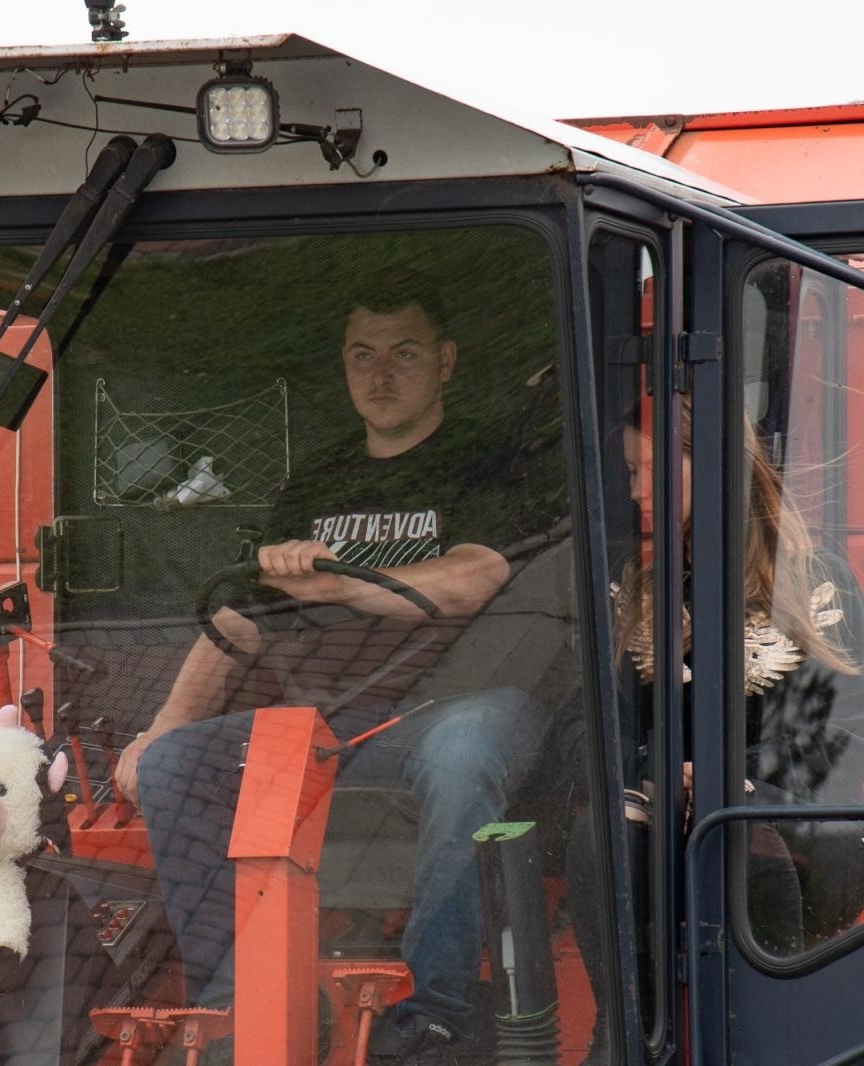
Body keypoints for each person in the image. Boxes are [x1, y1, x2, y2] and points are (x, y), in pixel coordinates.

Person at [114, 277, 555, 1066]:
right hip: (326, 723)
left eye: (404, 353)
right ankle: (237, 1008)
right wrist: (161, 730)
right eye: (362, 355)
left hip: (454, 706)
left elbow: (475, 576)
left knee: (465, 751)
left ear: (446, 361)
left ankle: (433, 1014)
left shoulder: (488, 460)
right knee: (179, 766)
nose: (380, 376)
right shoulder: (314, 483)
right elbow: (240, 622)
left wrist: (341, 580)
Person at [564, 402, 864, 1062]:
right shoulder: (634, 584)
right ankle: (625, 1031)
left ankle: (768, 1036)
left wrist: (743, 780)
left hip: (805, 825)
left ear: (714, 463)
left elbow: (856, 727)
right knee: (599, 834)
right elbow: (588, 726)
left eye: (654, 469)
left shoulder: (814, 577)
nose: (636, 490)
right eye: (630, 470)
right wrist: (659, 778)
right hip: (670, 819)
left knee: (742, 831)